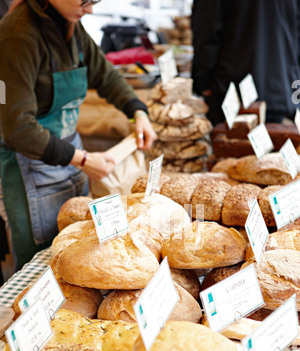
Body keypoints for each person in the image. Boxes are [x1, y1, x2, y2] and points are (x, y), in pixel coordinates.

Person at [0, 0, 157, 270]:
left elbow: (105, 75)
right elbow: (18, 128)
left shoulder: (70, 25)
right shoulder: (17, 36)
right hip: (33, 168)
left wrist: (137, 111)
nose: (91, 10)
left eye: (95, 0)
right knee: (42, 266)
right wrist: (82, 160)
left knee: (79, 253)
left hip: (71, 157)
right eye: (84, 1)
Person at [191, 0, 300, 125]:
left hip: (232, 92)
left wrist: (203, 82)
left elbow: (206, 30)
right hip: (281, 90)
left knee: (228, 141)